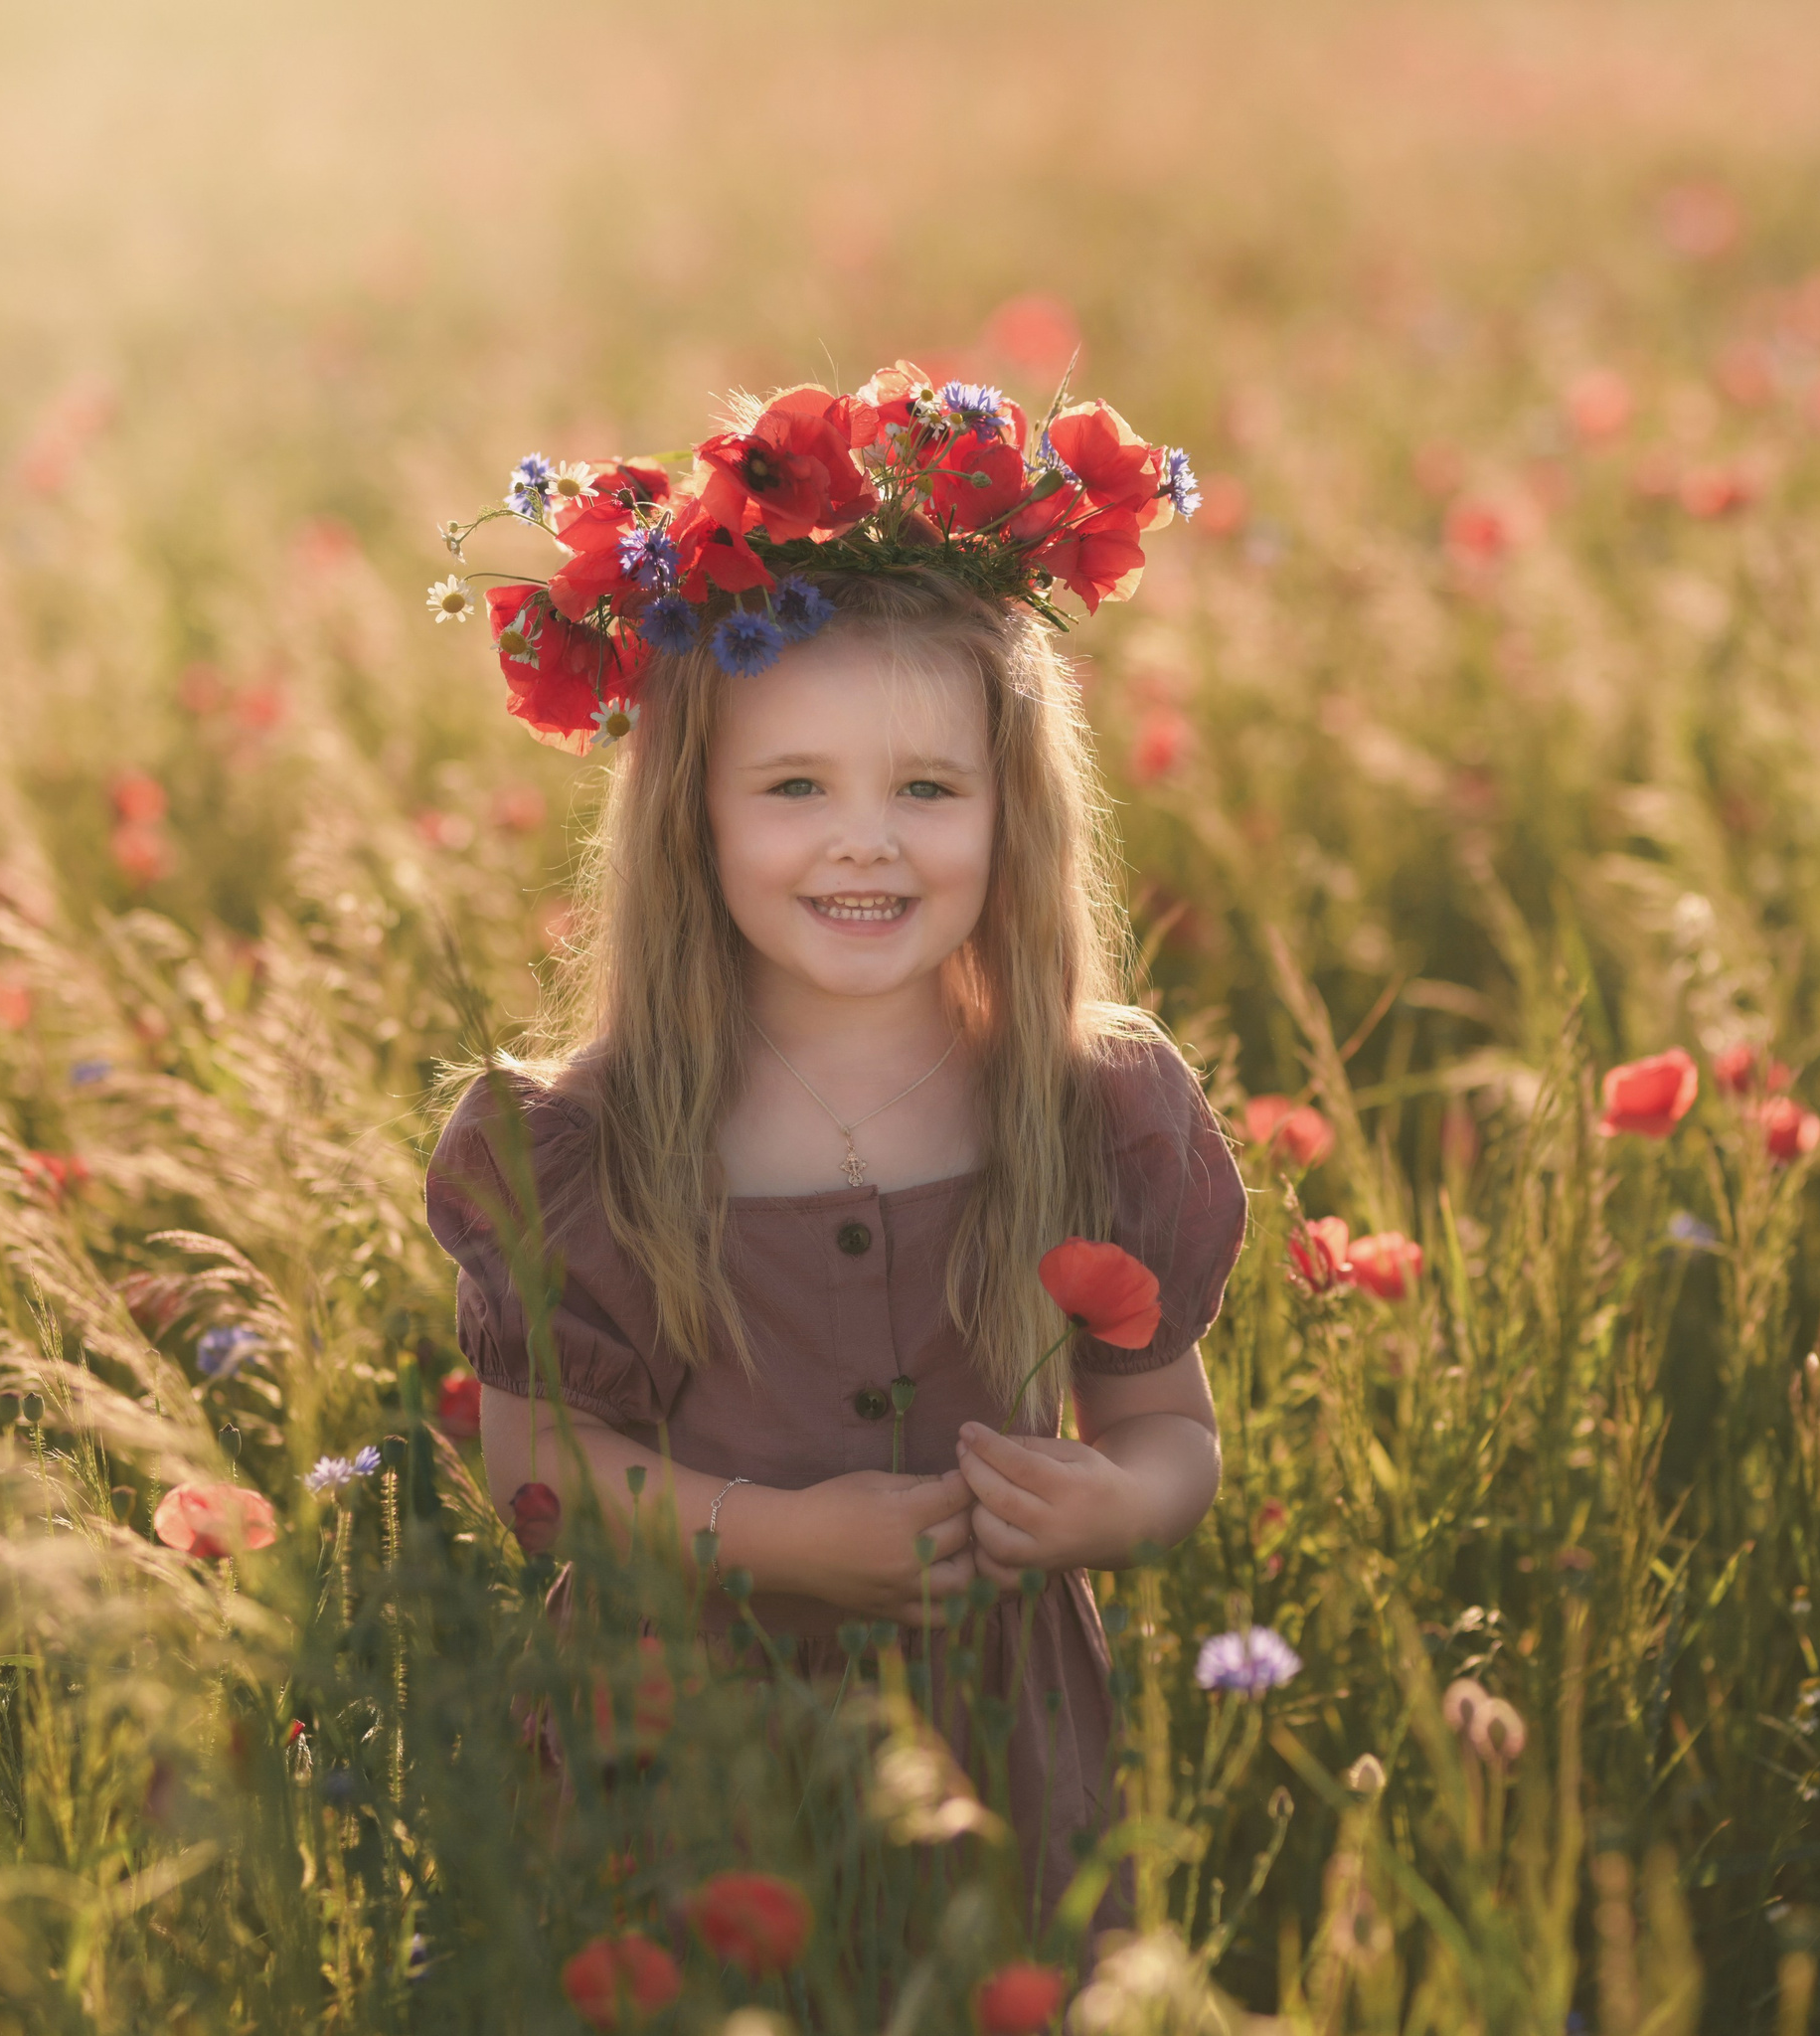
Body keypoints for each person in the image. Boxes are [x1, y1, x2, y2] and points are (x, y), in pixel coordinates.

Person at [422, 365, 1247, 1930]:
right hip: (685, 1745)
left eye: (927, 788)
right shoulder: (597, 1140)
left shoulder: (1081, 1106)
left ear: (1014, 817)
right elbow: (537, 1468)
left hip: (998, 1741)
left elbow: (1168, 1436)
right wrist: (780, 1539)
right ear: (699, 820)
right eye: (795, 787)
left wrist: (1117, 1507)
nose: (864, 840)